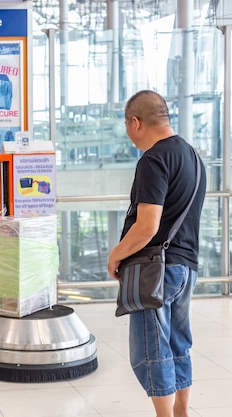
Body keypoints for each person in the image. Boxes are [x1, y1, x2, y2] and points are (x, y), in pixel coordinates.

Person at [106, 90, 206, 417]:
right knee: (179, 343)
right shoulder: (193, 156)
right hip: (186, 266)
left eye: (126, 124)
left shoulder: (153, 158)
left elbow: (147, 226)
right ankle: (181, 412)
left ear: (136, 122)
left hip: (157, 270)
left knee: (152, 349)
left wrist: (116, 255)